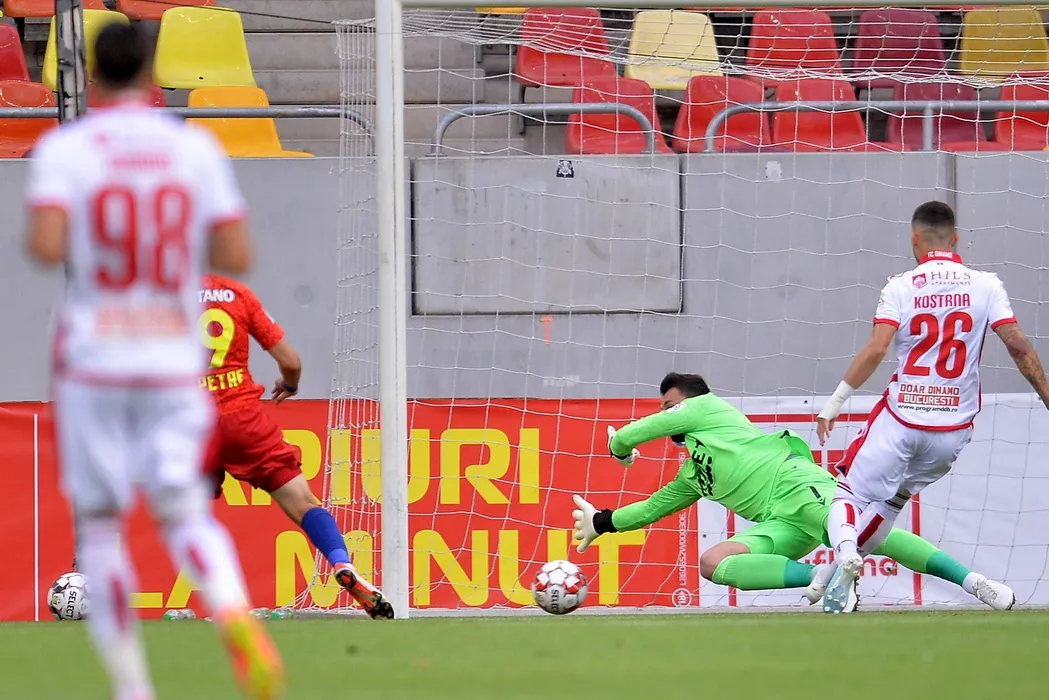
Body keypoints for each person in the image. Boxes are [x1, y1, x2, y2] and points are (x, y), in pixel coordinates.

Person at [25, 24, 283, 700]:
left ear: (90, 75)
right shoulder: (192, 148)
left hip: (95, 356)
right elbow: (235, 254)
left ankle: (132, 686)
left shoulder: (67, 148)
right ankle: (233, 613)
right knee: (186, 512)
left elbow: (45, 247)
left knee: (101, 527)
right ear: (151, 74)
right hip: (172, 354)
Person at [571, 372, 1014, 612]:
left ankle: (975, 584)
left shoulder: (708, 408)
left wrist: (619, 445)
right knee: (712, 562)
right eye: (663, 408)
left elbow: (639, 431)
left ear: (689, 403)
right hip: (779, 523)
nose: (666, 414)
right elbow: (653, 508)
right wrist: (603, 522)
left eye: (670, 406)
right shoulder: (692, 475)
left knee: (875, 537)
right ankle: (823, 578)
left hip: (798, 486)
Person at [815, 201, 1048, 613]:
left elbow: (877, 348)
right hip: (952, 431)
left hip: (903, 418)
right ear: (955, 239)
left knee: (848, 493)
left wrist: (834, 404)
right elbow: (1016, 344)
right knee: (893, 501)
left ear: (914, 240)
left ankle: (845, 554)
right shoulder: (986, 285)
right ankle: (836, 573)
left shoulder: (900, 286)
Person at [199, 273, 394, 619]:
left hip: (190, 421)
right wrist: (290, 384)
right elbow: (291, 362)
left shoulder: (162, 296)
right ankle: (341, 563)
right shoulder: (237, 294)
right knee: (303, 502)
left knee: (186, 517)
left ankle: (224, 600)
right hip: (243, 420)